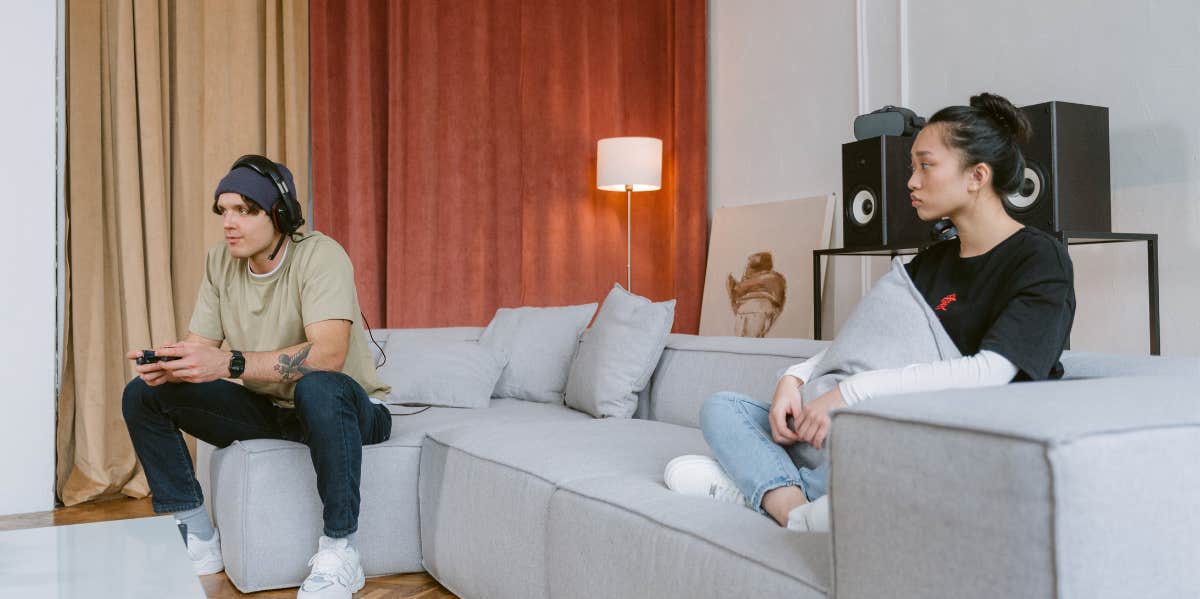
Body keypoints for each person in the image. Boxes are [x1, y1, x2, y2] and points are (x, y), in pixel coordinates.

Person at [666, 93, 1075, 532]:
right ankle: (792, 505)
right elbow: (862, 344)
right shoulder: (932, 261)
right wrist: (795, 378)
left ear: (976, 176)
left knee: (883, 441)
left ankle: (761, 486)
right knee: (723, 408)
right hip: (846, 420)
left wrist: (852, 394)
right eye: (912, 168)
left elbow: (992, 372)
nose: (911, 182)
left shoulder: (1038, 259)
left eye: (925, 165)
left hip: (913, 426)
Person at [122, 155, 391, 599]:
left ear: (281, 216)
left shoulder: (320, 255)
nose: (229, 222)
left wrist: (227, 363)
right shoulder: (220, 263)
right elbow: (201, 347)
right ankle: (197, 538)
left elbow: (328, 355)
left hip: (348, 409)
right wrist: (172, 363)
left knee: (317, 387)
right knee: (145, 394)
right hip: (274, 410)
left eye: (245, 211)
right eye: (223, 210)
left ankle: (341, 551)